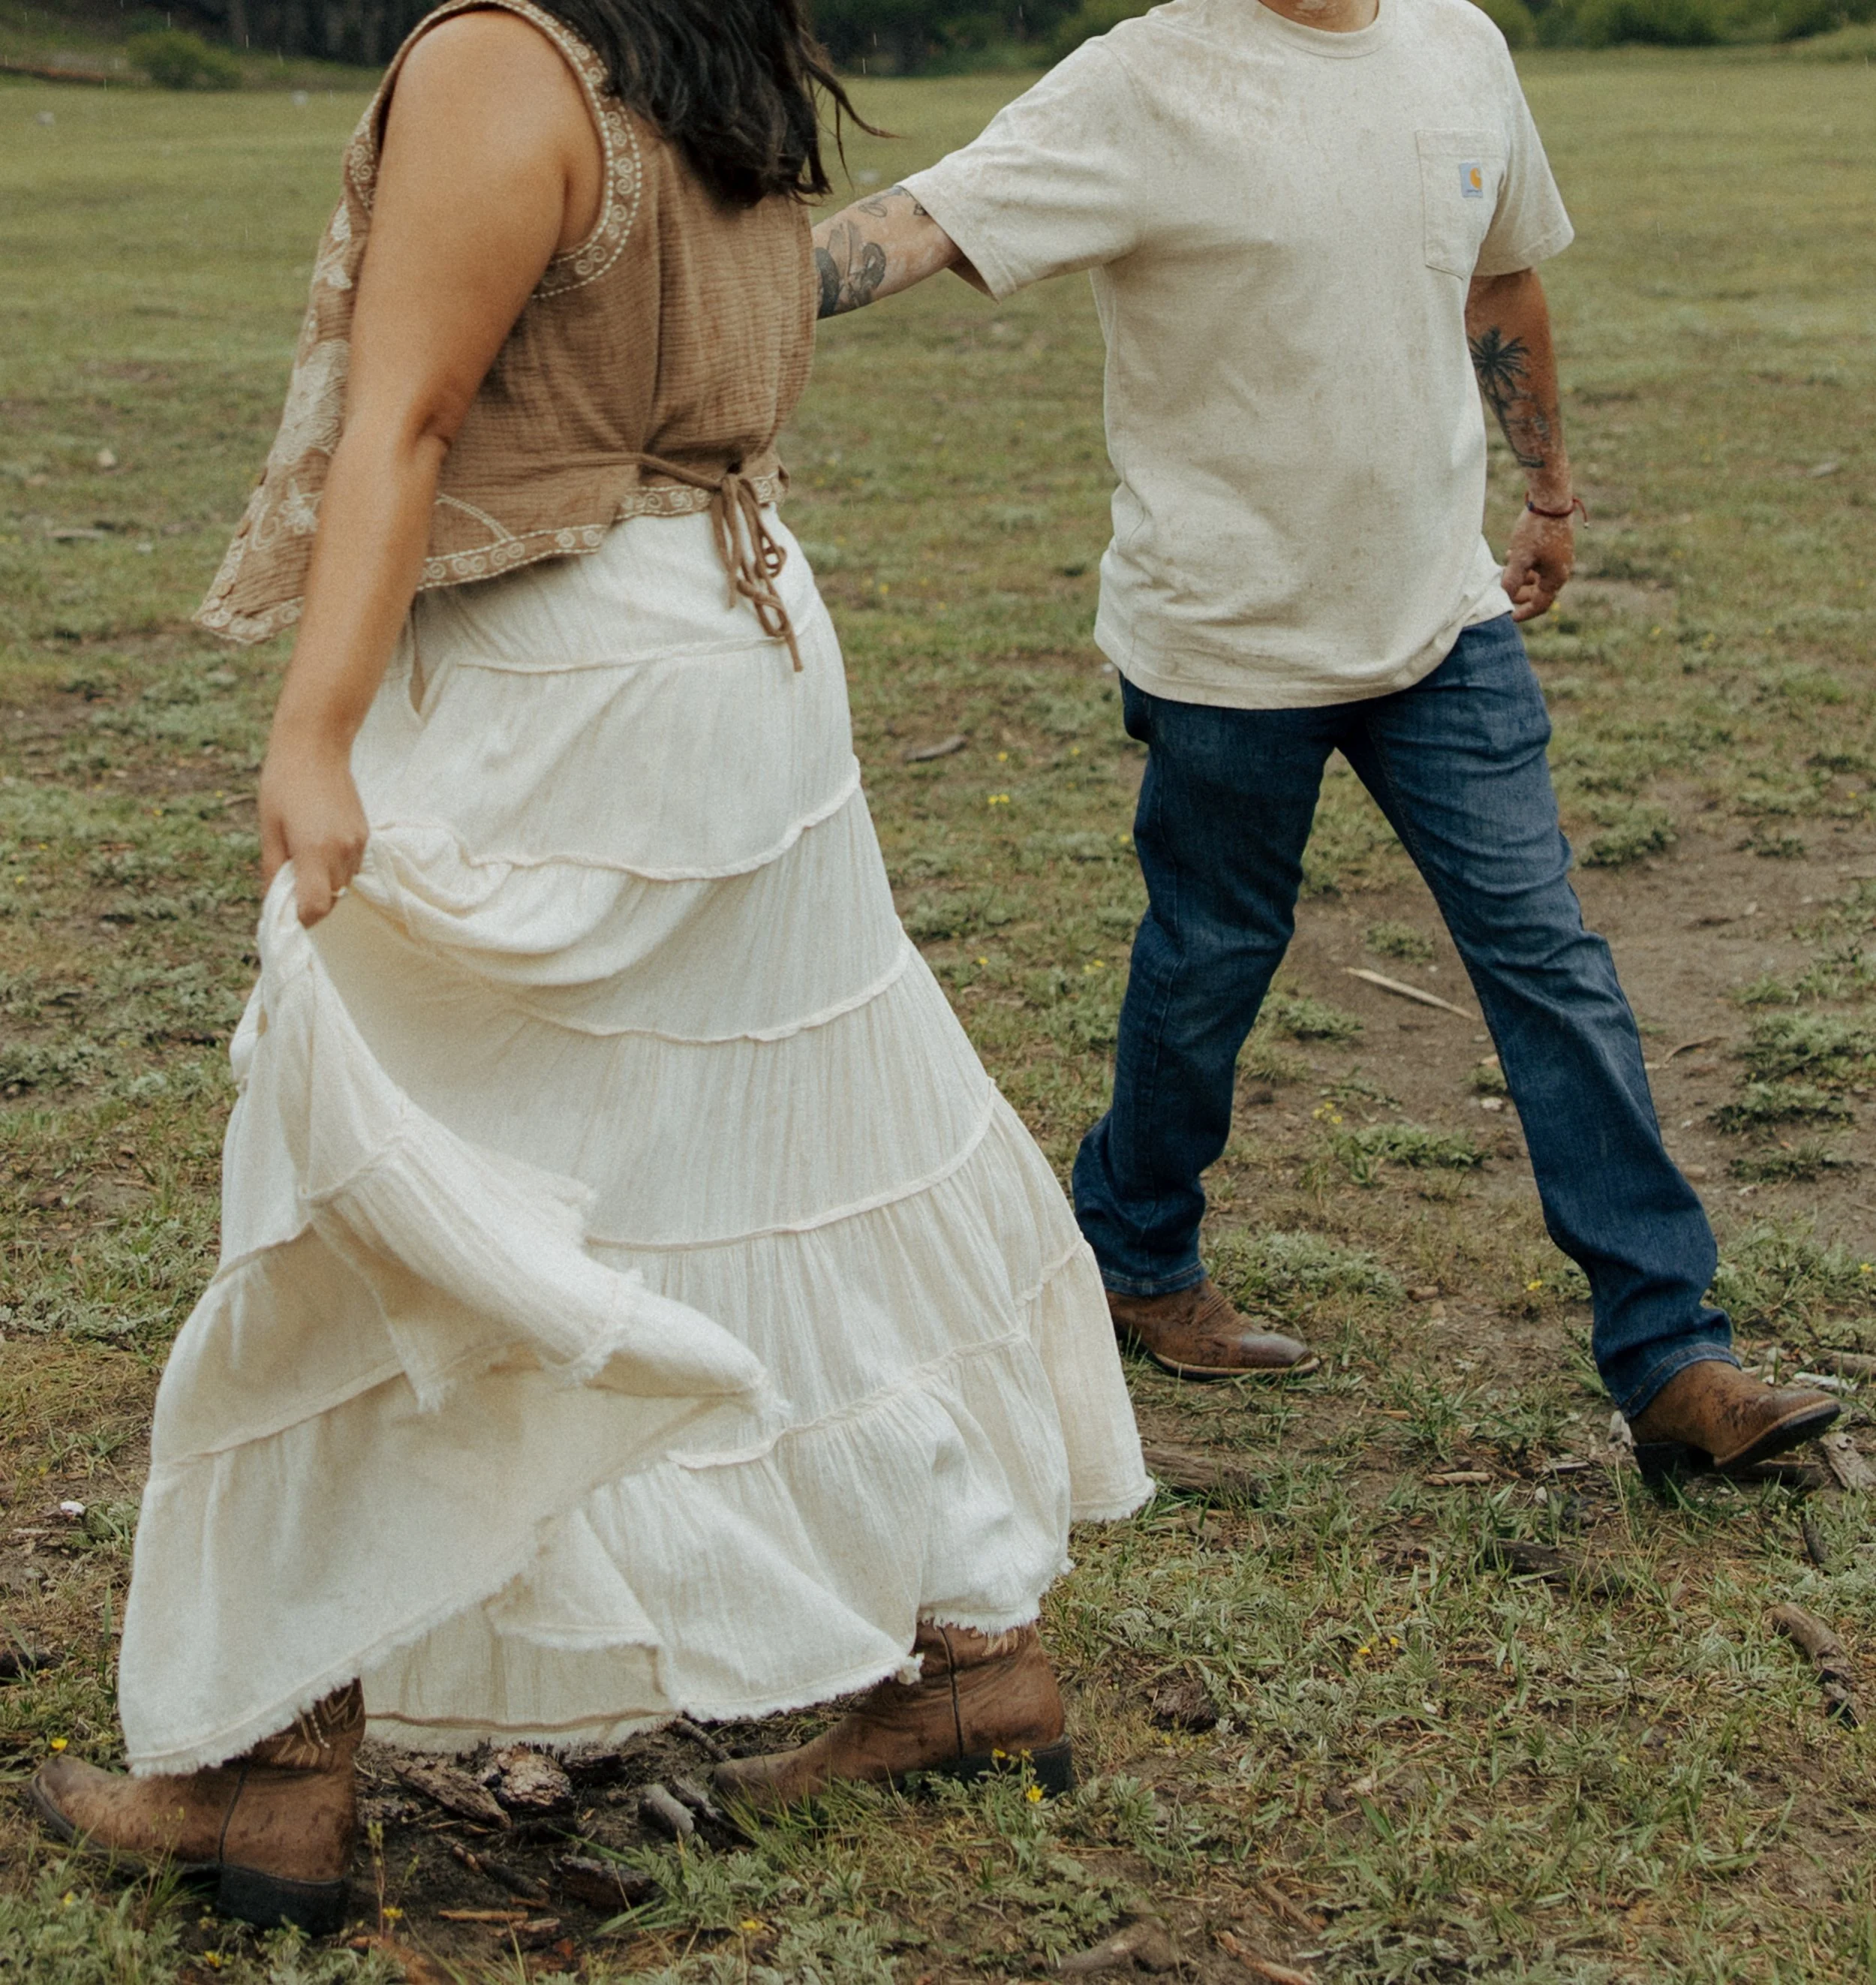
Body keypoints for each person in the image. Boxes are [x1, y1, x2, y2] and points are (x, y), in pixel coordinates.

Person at [31, 0, 1150, 1930]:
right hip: (743, 639)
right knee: (805, 1150)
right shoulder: (708, 52)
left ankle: (271, 1768)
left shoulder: (503, 59)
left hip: (571, 677)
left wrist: (312, 728)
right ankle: (973, 1651)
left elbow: (408, 414)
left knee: (358, 1166)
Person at [809, 0, 1841, 1470]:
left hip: (1439, 617)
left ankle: (1670, 1350)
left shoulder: (1458, 50)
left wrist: (1544, 494)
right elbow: (924, 223)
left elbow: (1495, 283)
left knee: (1545, 956)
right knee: (1206, 964)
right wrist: (708, 300)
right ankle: (1137, 1250)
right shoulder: (1145, 79)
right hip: (1227, 637)